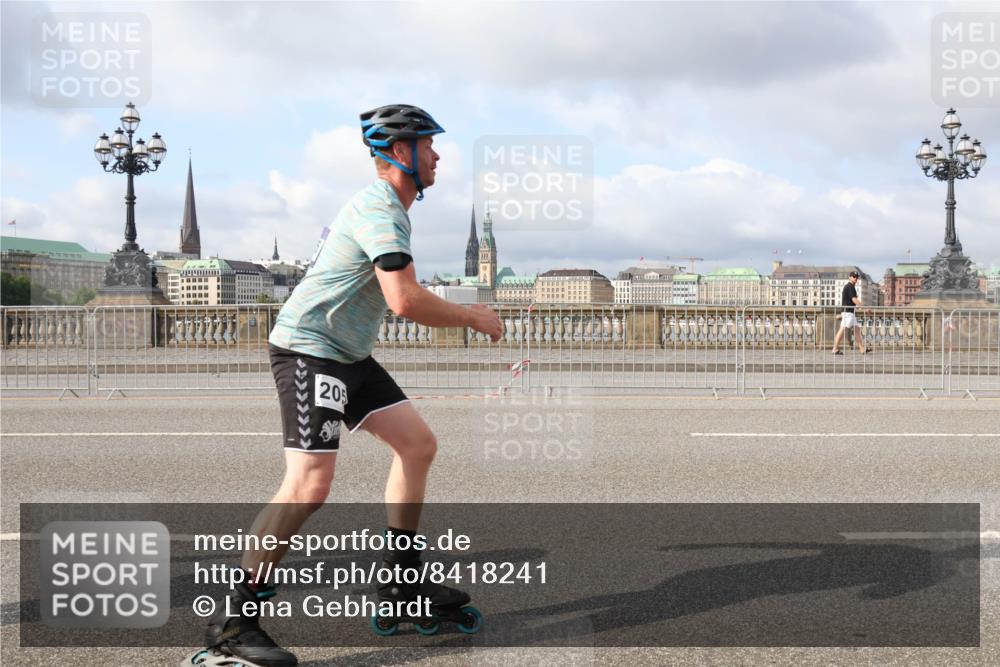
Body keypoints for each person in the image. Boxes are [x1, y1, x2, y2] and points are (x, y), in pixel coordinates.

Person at [190, 104, 503, 667]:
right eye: (428, 145)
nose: (437, 155)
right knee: (309, 485)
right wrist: (473, 316)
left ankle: (401, 582)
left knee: (418, 444)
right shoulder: (380, 208)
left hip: (348, 353)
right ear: (399, 153)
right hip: (311, 349)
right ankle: (230, 626)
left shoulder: (389, 210)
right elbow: (403, 300)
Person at [831, 270, 870, 355]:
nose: (855, 278)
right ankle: (835, 349)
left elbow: (852, 300)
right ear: (850, 277)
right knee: (842, 330)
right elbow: (854, 300)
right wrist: (865, 309)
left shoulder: (850, 286)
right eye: (854, 276)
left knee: (857, 330)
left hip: (850, 313)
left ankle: (862, 349)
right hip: (848, 313)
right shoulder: (850, 287)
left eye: (857, 277)